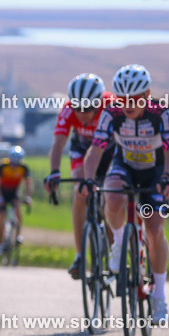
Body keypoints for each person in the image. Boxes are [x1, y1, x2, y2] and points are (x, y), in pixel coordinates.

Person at [81, 65, 169, 324]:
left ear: (147, 94)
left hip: (155, 171)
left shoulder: (161, 113)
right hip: (124, 166)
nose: (127, 104)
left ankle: (159, 296)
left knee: (155, 229)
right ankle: (120, 243)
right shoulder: (110, 113)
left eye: (134, 99)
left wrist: (168, 177)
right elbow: (96, 151)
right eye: (122, 99)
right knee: (111, 195)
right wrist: (88, 179)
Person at [44, 73, 115, 278]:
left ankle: (113, 253)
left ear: (99, 102)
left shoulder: (111, 105)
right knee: (80, 192)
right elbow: (58, 143)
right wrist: (55, 172)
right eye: (78, 108)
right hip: (82, 150)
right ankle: (79, 255)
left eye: (88, 109)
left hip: (109, 152)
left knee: (109, 199)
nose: (82, 114)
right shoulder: (67, 109)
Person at [0, 146, 33, 255]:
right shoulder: (2, 166)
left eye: (17, 164)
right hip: (1, 192)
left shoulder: (24, 168)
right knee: (2, 215)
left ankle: (18, 235)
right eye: (13, 163)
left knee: (18, 211)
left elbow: (29, 184)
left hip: (14, 193)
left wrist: (28, 197)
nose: (14, 166)